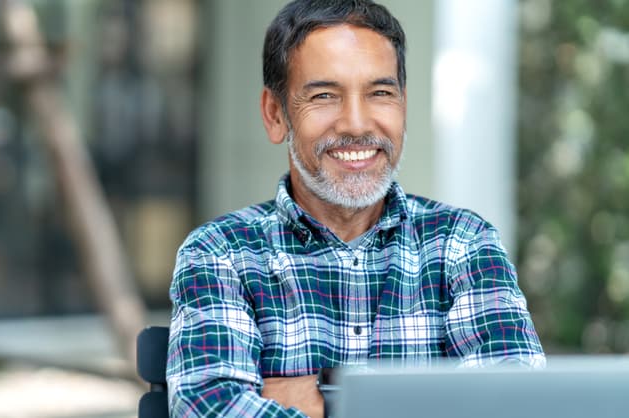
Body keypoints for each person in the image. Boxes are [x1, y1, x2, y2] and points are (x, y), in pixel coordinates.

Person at [166, 0, 545, 416]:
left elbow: (515, 405)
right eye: (325, 95)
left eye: (380, 93)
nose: (357, 124)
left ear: (403, 105)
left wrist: (322, 399)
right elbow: (211, 407)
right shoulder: (221, 254)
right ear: (276, 115)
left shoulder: (464, 244)